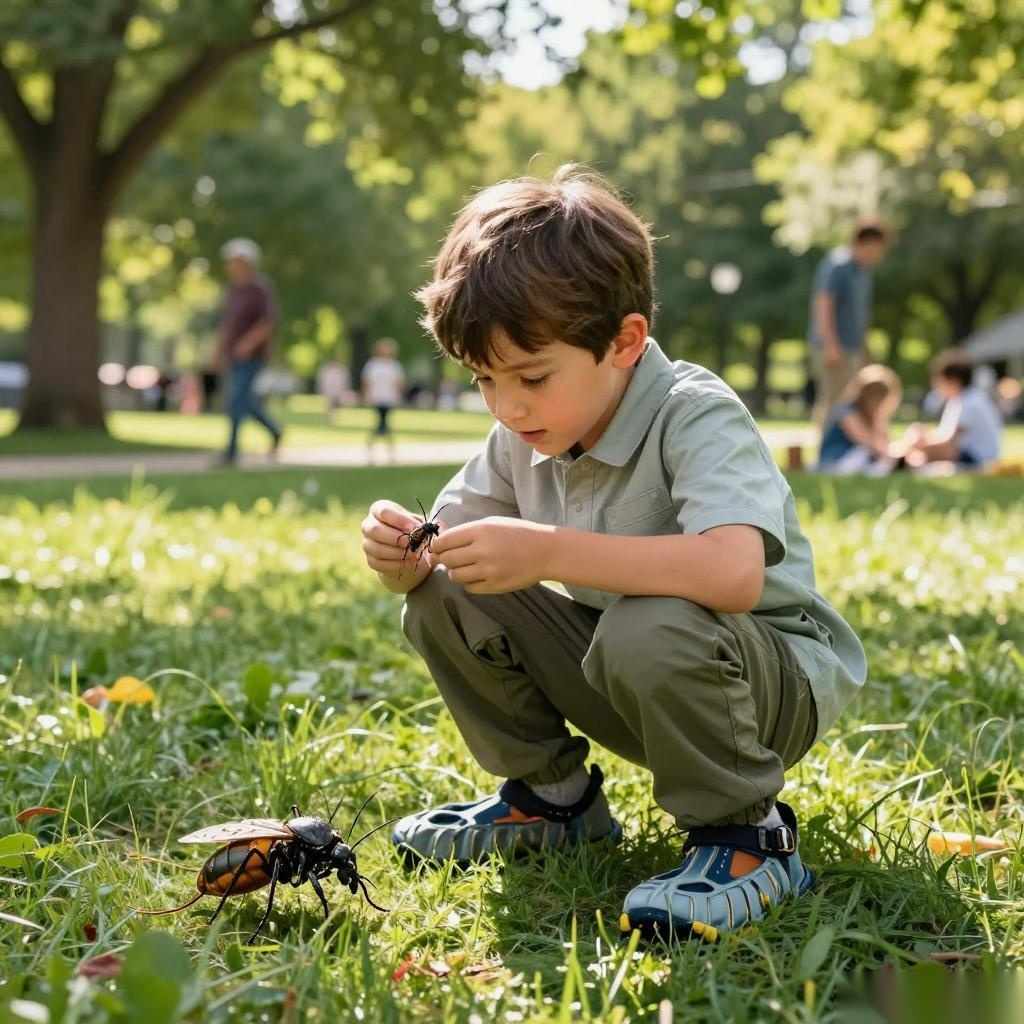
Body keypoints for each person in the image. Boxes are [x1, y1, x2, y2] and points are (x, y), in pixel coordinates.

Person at [360, 167, 867, 941]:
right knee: (446, 592)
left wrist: (551, 551)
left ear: (624, 342)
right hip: (628, 671)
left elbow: (731, 573)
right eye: (484, 380)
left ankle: (748, 836)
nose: (508, 406)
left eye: (531, 376)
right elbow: (447, 550)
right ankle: (554, 801)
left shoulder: (695, 414)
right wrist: (403, 553)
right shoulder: (523, 433)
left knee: (650, 621)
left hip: (760, 691)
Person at [807, 222, 888, 428]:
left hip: (852, 347)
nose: (877, 255)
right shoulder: (838, 265)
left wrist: (864, 348)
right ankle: (827, 453)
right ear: (862, 243)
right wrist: (830, 344)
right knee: (835, 401)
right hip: (834, 345)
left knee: (849, 400)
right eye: (875, 249)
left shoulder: (863, 271)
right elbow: (824, 304)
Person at [215, 238, 282, 464]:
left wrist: (248, 343)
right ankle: (274, 430)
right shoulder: (233, 290)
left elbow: (268, 322)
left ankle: (231, 452)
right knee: (244, 401)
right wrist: (218, 350)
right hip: (233, 355)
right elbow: (226, 324)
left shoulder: (259, 289)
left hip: (252, 356)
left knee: (236, 400)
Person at [894, 350, 1002, 471]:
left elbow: (949, 442)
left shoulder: (970, 402)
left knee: (922, 451)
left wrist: (918, 443)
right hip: (969, 454)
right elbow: (944, 434)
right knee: (918, 436)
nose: (936, 386)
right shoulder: (960, 400)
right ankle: (899, 458)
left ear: (953, 381)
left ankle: (898, 459)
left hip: (977, 458)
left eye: (939, 381)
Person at [817, 364, 902, 475]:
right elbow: (870, 443)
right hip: (834, 461)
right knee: (866, 453)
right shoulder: (846, 412)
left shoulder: (871, 415)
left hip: (852, 461)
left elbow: (884, 442)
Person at [361, 338, 405, 461]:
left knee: (382, 423)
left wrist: (399, 395)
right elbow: (366, 382)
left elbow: (399, 382)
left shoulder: (394, 365)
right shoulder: (372, 365)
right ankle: (387, 449)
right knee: (382, 423)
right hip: (376, 398)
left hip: (389, 399)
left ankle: (378, 448)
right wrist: (366, 395)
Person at [317, 356, 352, 423]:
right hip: (329, 390)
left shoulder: (342, 370)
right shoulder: (326, 370)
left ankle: (335, 416)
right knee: (330, 404)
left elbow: (345, 381)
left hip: (338, 390)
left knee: (337, 404)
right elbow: (322, 381)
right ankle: (330, 417)